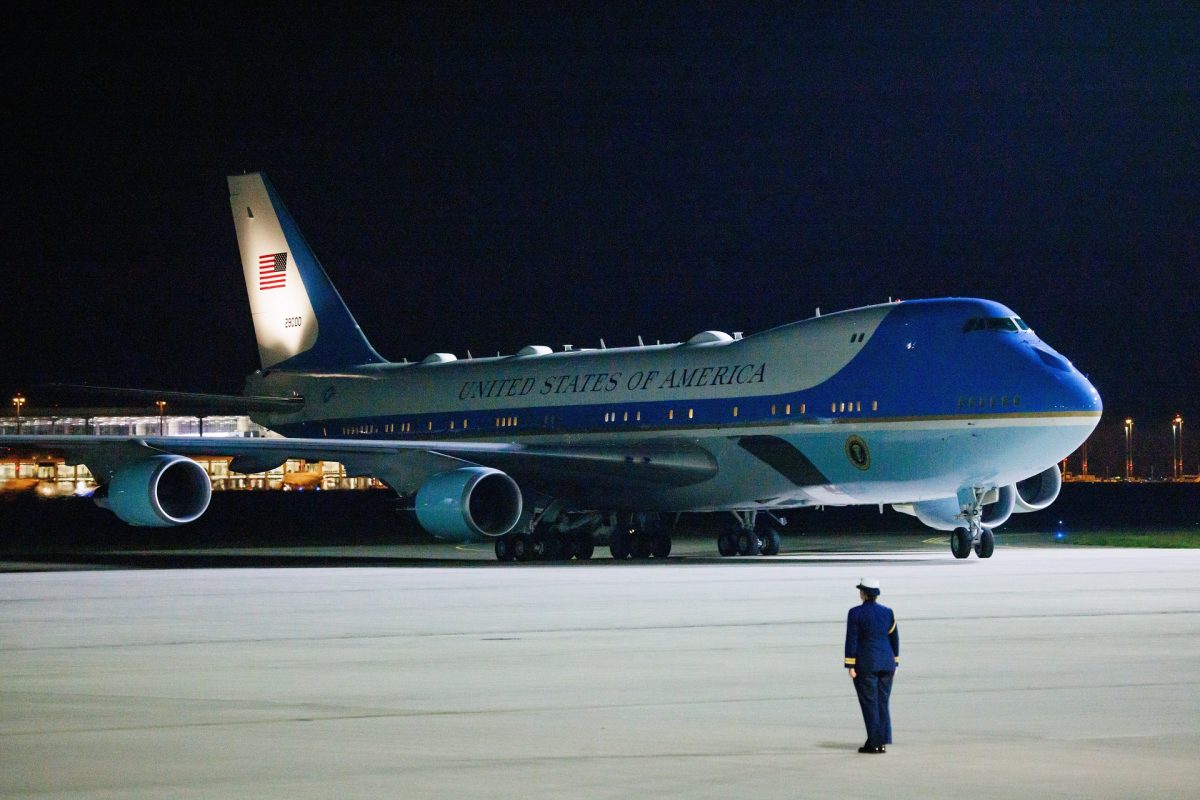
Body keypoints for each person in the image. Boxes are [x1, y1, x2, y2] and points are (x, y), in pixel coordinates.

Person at [844, 577, 899, 753]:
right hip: (887, 663)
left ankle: (875, 743)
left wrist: (850, 665)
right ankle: (881, 739)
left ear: (863, 594)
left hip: (866, 664)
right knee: (882, 703)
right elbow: (894, 639)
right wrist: (895, 662)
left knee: (869, 703)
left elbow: (851, 640)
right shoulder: (888, 612)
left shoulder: (855, 613)